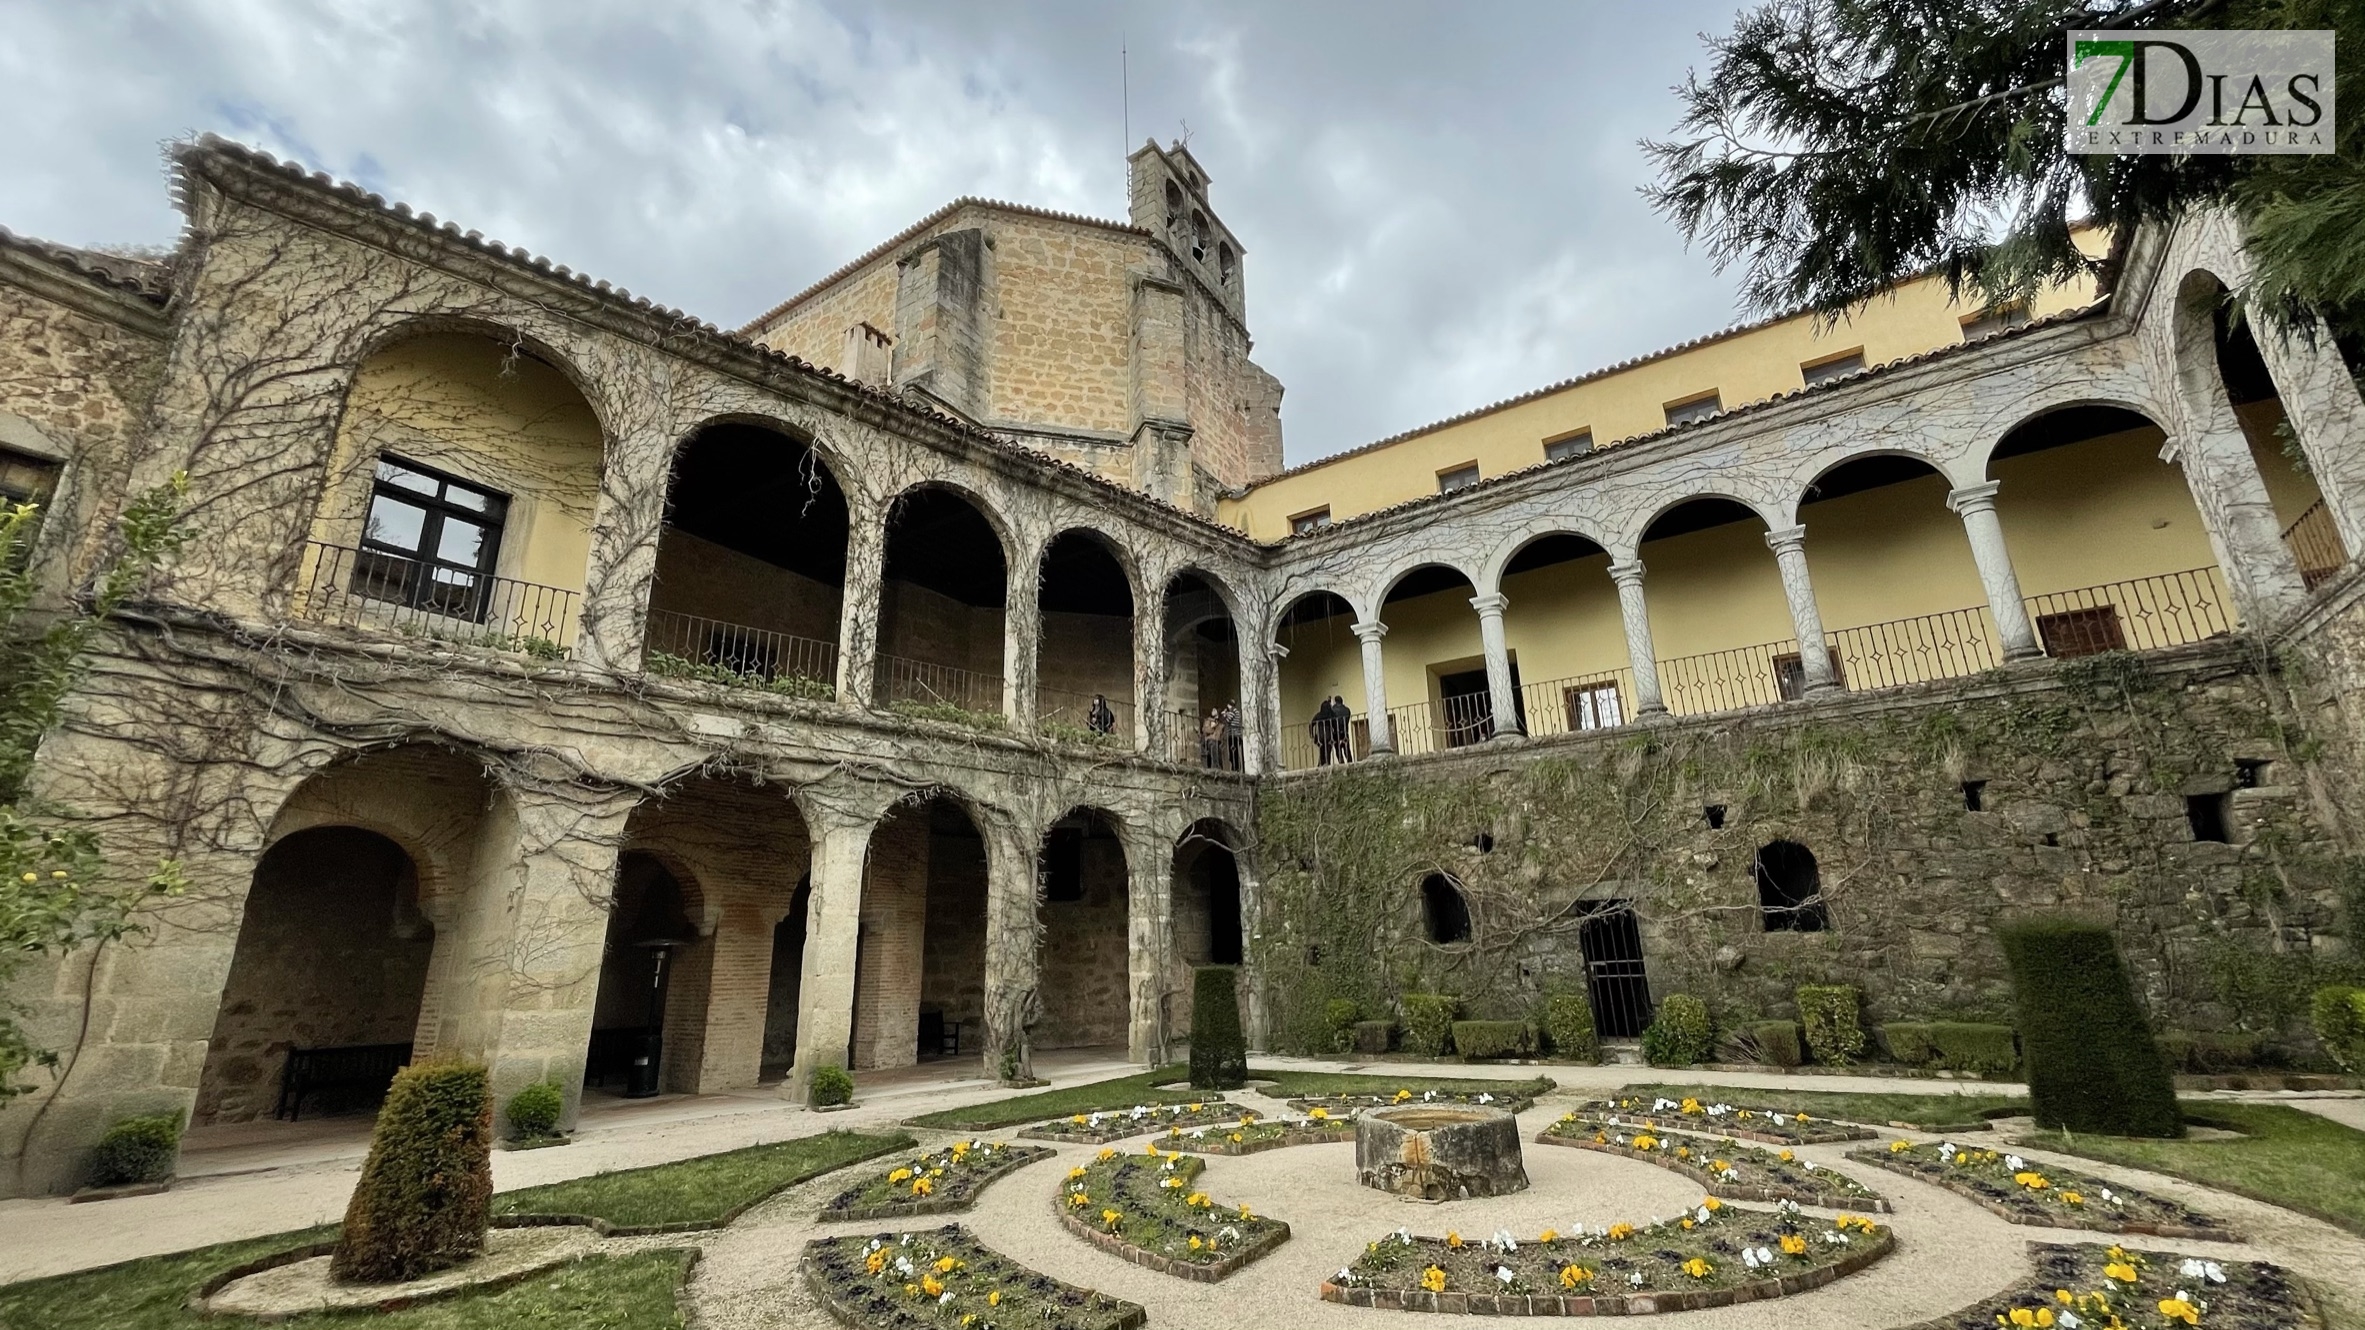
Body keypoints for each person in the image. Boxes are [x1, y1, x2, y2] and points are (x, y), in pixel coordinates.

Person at [1328, 695, 1356, 763]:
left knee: (1338, 750)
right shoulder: (1347, 710)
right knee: (1347, 749)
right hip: (1345, 732)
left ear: (1335, 701)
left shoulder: (1333, 710)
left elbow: (1330, 719)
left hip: (1336, 733)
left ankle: (1341, 763)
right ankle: (1350, 763)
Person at [1220, 701, 1243, 772]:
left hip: (1233, 735)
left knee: (1233, 753)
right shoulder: (1236, 711)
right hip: (1236, 735)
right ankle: (1236, 767)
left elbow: (1227, 720)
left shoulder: (1233, 711)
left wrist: (1224, 714)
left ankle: (1235, 768)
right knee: (1234, 752)